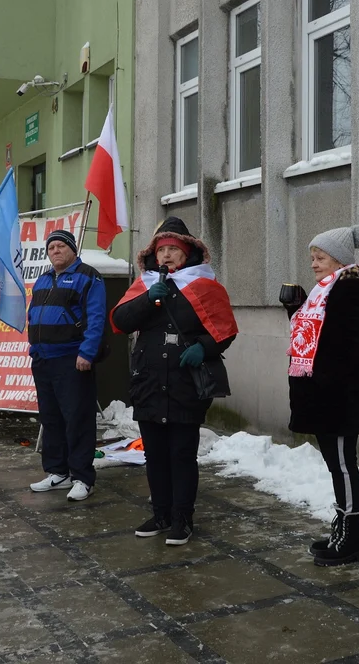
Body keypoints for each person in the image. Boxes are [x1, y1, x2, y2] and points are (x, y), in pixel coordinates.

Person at [111, 217, 237, 545]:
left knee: (181, 454)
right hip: (149, 383)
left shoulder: (206, 286)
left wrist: (203, 347)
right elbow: (121, 321)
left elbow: (225, 330)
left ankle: (183, 517)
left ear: (187, 255)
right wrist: (147, 298)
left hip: (185, 385)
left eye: (174, 251)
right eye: (162, 250)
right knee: (155, 454)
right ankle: (161, 513)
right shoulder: (146, 284)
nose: (167, 256)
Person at [280, 225, 359, 566]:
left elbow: (347, 345)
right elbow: (319, 339)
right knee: (335, 464)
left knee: (343, 465)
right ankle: (341, 524)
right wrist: (296, 309)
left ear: (338, 259)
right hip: (327, 395)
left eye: (320, 257)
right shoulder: (326, 290)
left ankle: (352, 535)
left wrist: (327, 378)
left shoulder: (352, 288)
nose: (313, 264)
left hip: (341, 397)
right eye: (312, 257)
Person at [26, 229, 106, 502]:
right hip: (43, 360)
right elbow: (34, 315)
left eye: (61, 246)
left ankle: (83, 477)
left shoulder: (88, 276)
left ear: (73, 249)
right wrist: (34, 348)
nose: (55, 251)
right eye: (51, 247)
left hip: (73, 360)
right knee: (51, 419)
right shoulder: (43, 279)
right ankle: (58, 472)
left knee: (78, 419)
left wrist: (87, 352)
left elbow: (96, 319)